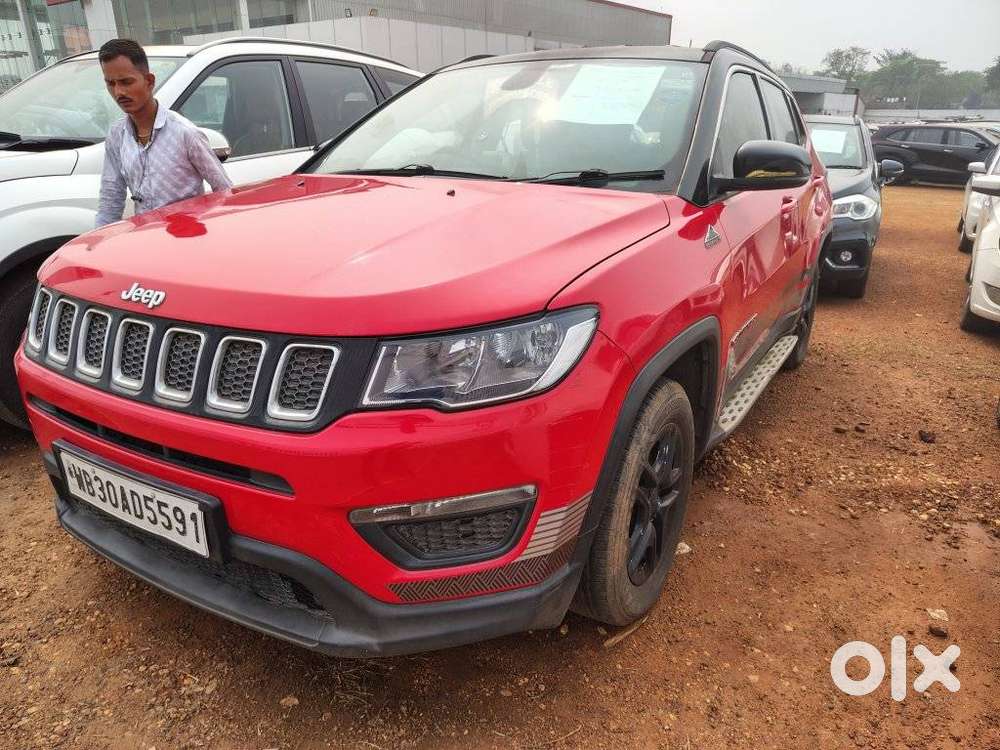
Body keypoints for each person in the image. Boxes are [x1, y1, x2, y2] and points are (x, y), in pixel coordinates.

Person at [95, 38, 232, 228]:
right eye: (111, 84)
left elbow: (224, 192)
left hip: (186, 239)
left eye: (126, 82)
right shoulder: (117, 136)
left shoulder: (185, 133)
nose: (119, 92)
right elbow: (111, 198)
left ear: (149, 81)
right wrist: (102, 242)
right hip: (145, 239)